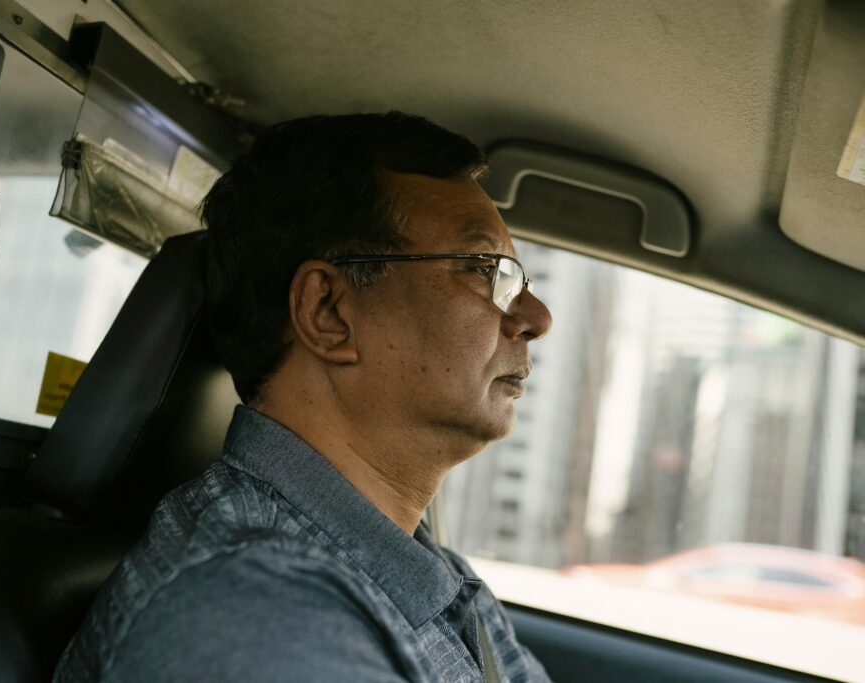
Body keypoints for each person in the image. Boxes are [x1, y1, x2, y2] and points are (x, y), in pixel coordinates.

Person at [55, 112, 553, 682]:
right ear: (328, 313)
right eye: (485, 269)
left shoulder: (437, 577)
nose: (537, 317)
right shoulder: (250, 615)